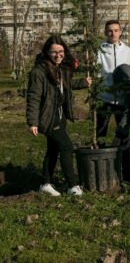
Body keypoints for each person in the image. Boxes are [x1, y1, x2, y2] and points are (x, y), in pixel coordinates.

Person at [26, 35, 91, 196]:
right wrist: (32, 122)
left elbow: (66, 86)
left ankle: (45, 183)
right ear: (47, 52)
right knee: (66, 146)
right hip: (48, 117)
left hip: (60, 116)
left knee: (53, 149)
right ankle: (72, 186)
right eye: (54, 52)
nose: (58, 55)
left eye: (61, 51)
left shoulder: (61, 69)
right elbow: (33, 97)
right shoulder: (39, 72)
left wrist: (83, 82)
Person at [97, 19, 130, 184]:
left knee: (123, 136)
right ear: (105, 32)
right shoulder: (99, 50)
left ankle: (125, 173)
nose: (112, 33)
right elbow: (95, 71)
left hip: (122, 100)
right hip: (104, 99)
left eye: (115, 30)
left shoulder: (128, 52)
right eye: (109, 30)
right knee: (100, 135)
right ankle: (101, 172)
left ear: (120, 32)